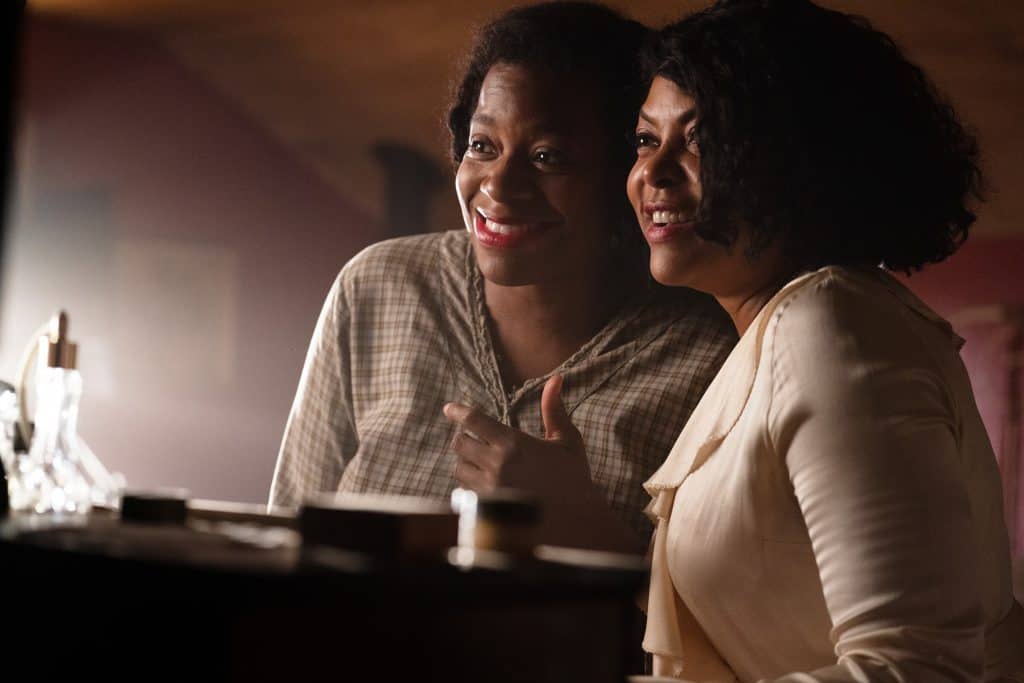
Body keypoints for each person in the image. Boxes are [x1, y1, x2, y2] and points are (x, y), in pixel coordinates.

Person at [622, 0, 1024, 679]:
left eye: (698, 140)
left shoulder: (831, 327)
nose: (653, 174)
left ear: (801, 162)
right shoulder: (774, 336)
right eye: (644, 139)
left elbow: (913, 666)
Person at [270, 2, 735, 553]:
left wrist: (583, 524)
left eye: (548, 156)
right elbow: (286, 538)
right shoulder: (378, 287)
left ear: (625, 173)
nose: (499, 186)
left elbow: (710, 620)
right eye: (483, 146)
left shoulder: (704, 354)